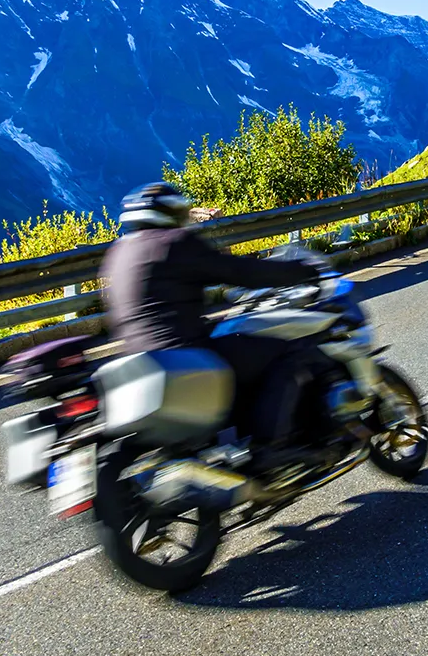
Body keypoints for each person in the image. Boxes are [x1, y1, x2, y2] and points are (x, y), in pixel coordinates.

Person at [100, 182, 323, 465]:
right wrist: (299, 271)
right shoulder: (174, 243)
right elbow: (239, 272)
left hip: (140, 362)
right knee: (289, 352)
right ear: (171, 213)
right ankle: (273, 445)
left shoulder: (118, 253)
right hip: (186, 353)